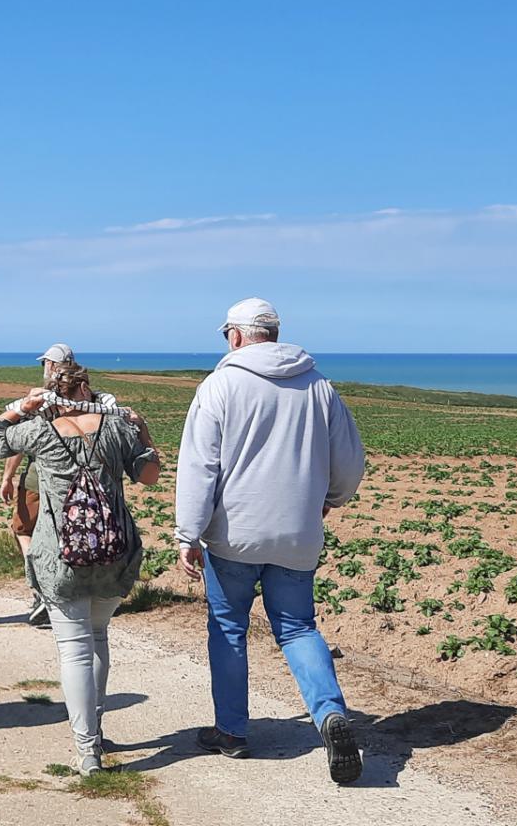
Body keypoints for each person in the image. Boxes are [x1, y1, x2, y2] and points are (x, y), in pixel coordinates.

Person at [174, 298, 367, 784]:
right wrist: (332, 499)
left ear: (236, 336)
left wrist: (188, 533)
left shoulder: (220, 385)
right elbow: (349, 459)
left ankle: (232, 732)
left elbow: (200, 466)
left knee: (228, 627)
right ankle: (329, 716)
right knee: (299, 628)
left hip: (234, 537)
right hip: (298, 533)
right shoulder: (319, 385)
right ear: (275, 335)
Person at [0, 361, 158, 775]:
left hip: (59, 558)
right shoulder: (117, 429)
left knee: (74, 650)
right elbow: (149, 475)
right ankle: (95, 730)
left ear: (52, 394)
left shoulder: (40, 432)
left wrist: (21, 407)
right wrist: (144, 429)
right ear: (87, 390)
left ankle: (87, 751)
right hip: (113, 555)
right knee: (98, 638)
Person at [2, 344, 119, 628]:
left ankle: (44, 588)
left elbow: (15, 440)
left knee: (24, 530)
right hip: (85, 480)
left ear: (54, 366)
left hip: (39, 479)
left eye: (47, 363)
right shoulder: (97, 400)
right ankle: (81, 591)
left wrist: (7, 476)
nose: (45, 367)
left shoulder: (39, 400)